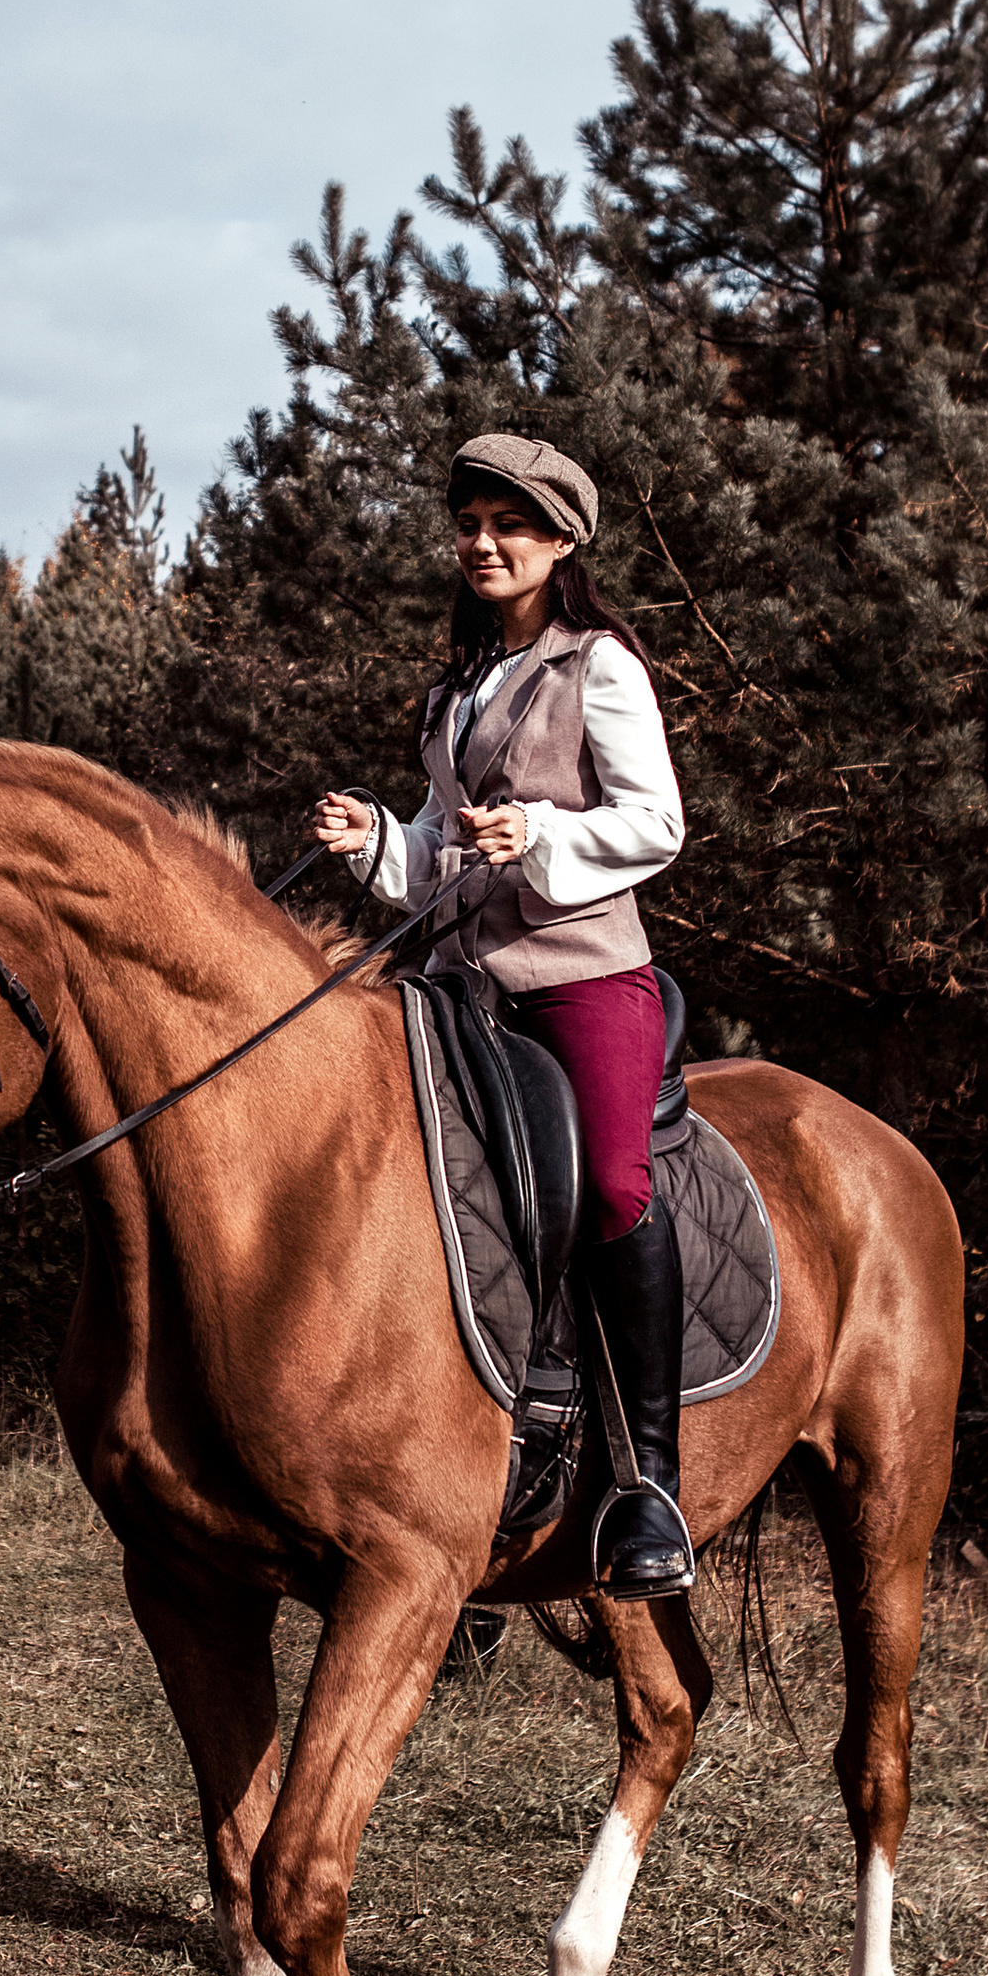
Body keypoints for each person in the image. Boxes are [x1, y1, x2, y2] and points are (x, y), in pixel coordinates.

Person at [312, 431, 695, 1599]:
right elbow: (443, 852)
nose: (482, 542)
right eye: (469, 522)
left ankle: (648, 1491)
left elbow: (655, 824)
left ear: (562, 541)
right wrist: (380, 839)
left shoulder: (602, 670)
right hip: (456, 983)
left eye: (509, 524)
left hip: (581, 977)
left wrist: (541, 837)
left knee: (616, 1187)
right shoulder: (457, 686)